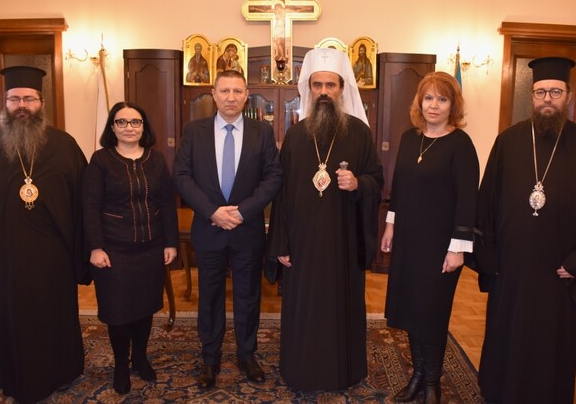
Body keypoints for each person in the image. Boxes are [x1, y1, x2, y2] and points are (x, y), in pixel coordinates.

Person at [474, 57, 576, 403]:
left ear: (568, 95)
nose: (547, 99)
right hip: (512, 269)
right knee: (507, 336)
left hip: (559, 272)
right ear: (532, 96)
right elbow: (486, 203)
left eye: (556, 91)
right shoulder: (508, 141)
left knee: (550, 345)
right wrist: (490, 258)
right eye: (541, 92)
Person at [0, 66, 87, 403]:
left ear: (41, 102)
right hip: (2, 258)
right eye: (14, 99)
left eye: (29, 98)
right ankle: (9, 374)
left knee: (54, 316)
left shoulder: (65, 145)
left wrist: (84, 250)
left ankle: (61, 370)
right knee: (7, 319)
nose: (21, 105)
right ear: (5, 103)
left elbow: (84, 201)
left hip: (52, 257)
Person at [266, 47, 383, 390]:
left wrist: (358, 183)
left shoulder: (359, 133)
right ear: (309, 88)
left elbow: (377, 179)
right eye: (317, 85)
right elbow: (281, 194)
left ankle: (341, 371)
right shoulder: (295, 135)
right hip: (302, 243)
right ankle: (300, 370)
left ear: (342, 89)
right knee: (303, 306)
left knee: (340, 305)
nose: (324, 92)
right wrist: (280, 242)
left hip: (342, 240)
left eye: (331, 85)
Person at [173, 70, 282, 389]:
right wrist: (212, 212)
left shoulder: (262, 132)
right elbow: (181, 176)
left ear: (246, 95)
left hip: (247, 230)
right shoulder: (193, 131)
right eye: (225, 91)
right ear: (213, 94)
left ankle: (247, 355)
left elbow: (274, 176)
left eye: (237, 91)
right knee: (209, 296)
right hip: (209, 228)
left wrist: (243, 212)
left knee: (248, 296)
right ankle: (210, 358)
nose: (231, 97)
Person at [380, 72, 479, 404]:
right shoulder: (410, 138)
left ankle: (433, 382)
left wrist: (458, 249)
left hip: (441, 247)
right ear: (419, 102)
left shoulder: (460, 144)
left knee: (432, 313)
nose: (434, 105)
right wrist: (390, 226)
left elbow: (468, 200)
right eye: (428, 98)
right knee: (411, 309)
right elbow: (398, 187)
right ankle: (418, 376)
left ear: (453, 105)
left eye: (442, 99)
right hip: (409, 241)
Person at [82, 102, 179, 394]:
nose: (129, 127)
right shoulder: (101, 160)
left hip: (151, 249)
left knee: (145, 308)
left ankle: (140, 357)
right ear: (112, 127)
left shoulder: (155, 159)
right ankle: (121, 365)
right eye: (121, 122)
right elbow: (90, 206)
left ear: (143, 127)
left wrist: (171, 242)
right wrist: (95, 247)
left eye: (135, 122)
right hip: (114, 252)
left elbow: (167, 204)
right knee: (119, 312)